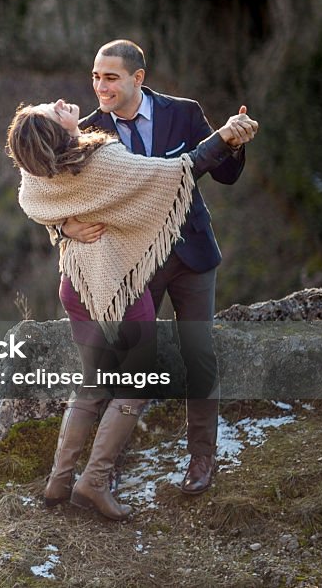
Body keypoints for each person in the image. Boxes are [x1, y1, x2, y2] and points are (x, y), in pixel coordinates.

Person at [5, 98, 257, 520]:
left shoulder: (40, 173)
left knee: (93, 382)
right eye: (54, 110)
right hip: (119, 286)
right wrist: (225, 137)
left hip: (76, 284)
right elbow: (177, 171)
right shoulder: (101, 159)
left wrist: (63, 223)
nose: (62, 102)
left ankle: (58, 481)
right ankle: (94, 482)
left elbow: (29, 201)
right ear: (57, 132)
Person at [62, 40, 247, 496]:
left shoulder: (183, 112)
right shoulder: (85, 134)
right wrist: (66, 227)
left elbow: (223, 174)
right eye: (95, 77)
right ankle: (107, 469)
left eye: (111, 77)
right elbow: (56, 196)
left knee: (198, 355)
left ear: (137, 78)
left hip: (193, 255)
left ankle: (202, 458)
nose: (100, 86)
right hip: (131, 265)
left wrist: (234, 142)